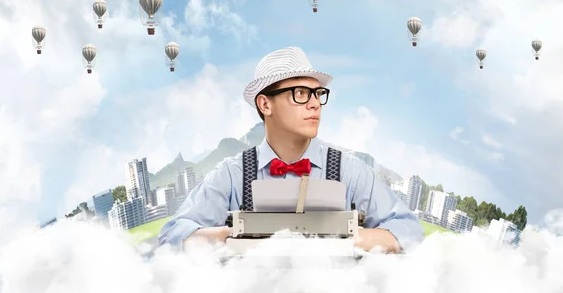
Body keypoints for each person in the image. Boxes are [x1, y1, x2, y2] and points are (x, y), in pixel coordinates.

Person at [158, 46, 425, 254]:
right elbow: (173, 235)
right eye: (300, 93)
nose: (314, 104)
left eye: (318, 93)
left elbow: (409, 230)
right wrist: (232, 236)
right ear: (265, 104)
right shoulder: (230, 175)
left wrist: (345, 238)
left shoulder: (350, 171)